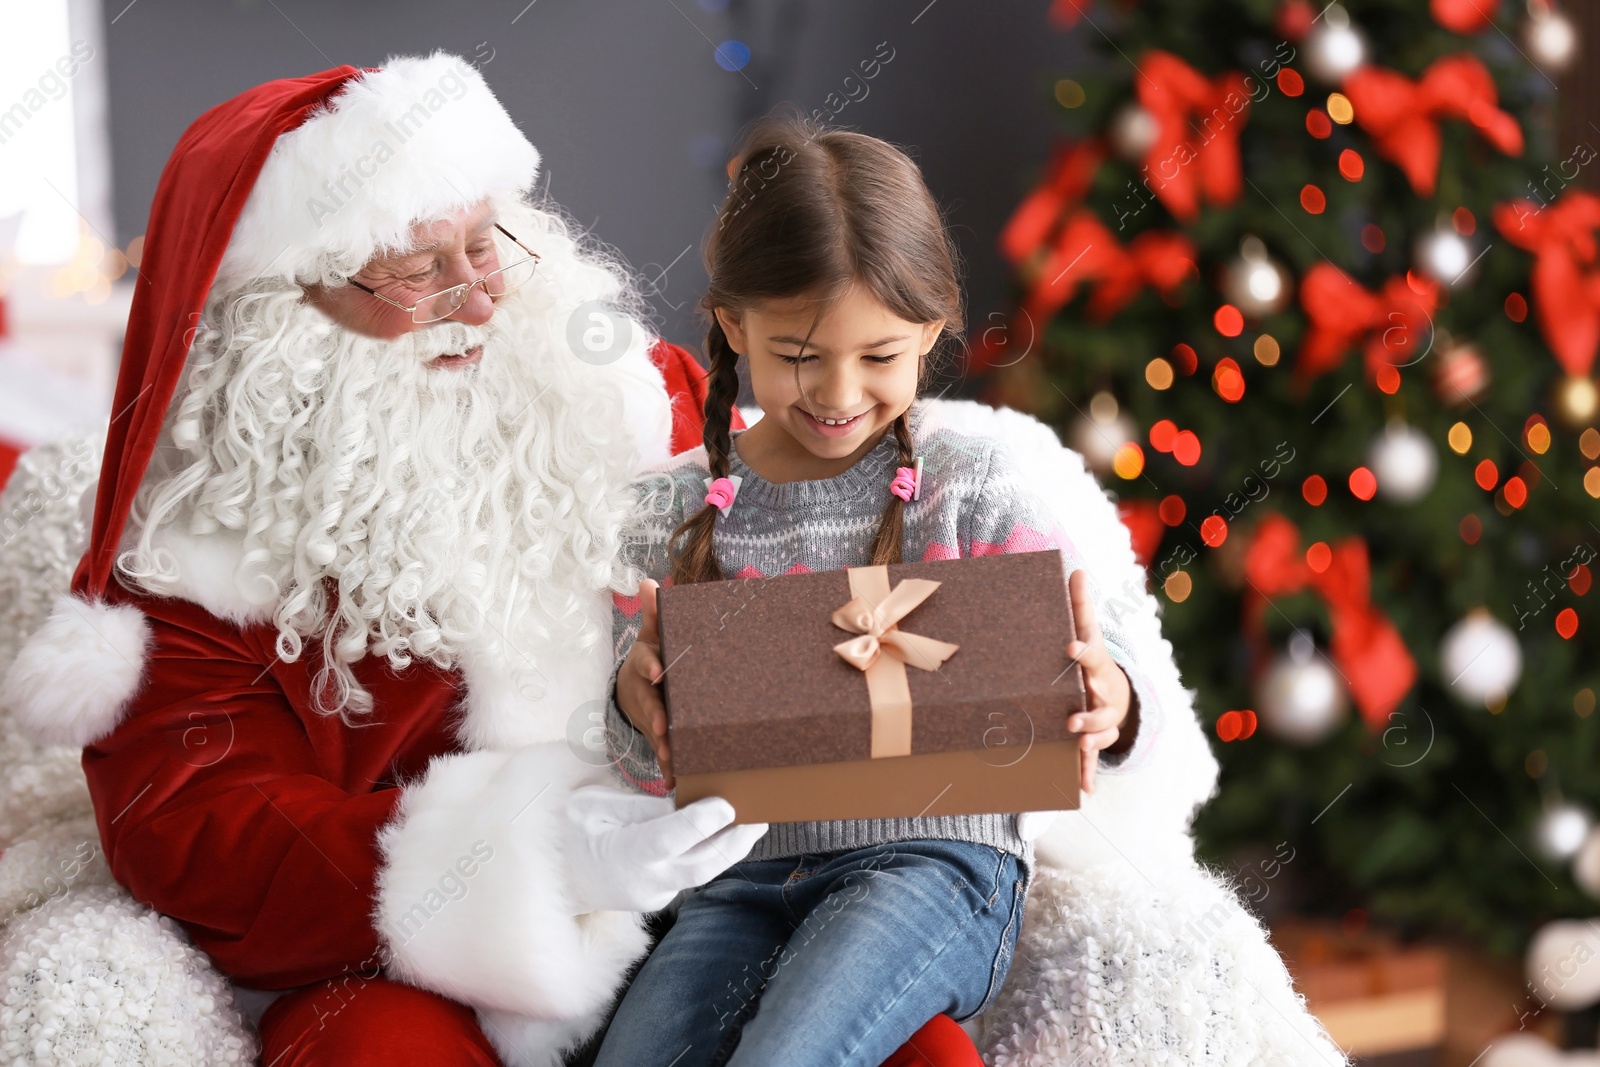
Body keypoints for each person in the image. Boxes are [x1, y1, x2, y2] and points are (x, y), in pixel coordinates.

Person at [2, 54, 779, 1066]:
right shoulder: (194, 552)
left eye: (484, 243)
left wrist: (1007, 655)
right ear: (285, 308)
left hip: (703, 902)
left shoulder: (628, 401)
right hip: (397, 966)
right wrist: (539, 852)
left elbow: (832, 536)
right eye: (419, 269)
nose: (478, 297)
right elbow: (204, 828)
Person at [593, 117, 1164, 1067]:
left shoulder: (973, 483)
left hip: (937, 866)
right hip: (740, 877)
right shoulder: (674, 510)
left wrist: (1114, 694)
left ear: (931, 335)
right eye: (799, 356)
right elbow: (642, 762)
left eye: (879, 356)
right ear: (734, 327)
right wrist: (631, 700)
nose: (838, 392)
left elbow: (1100, 650)